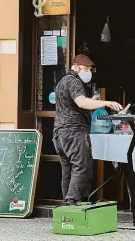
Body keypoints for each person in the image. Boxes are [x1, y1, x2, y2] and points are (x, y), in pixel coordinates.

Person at [53, 54, 123, 206]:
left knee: (68, 170)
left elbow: (74, 103)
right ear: (76, 66)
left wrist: (92, 101)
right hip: (74, 132)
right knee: (82, 167)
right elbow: (81, 103)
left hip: (60, 133)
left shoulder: (62, 82)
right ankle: (71, 202)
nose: (88, 72)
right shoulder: (74, 82)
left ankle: (67, 205)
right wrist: (107, 103)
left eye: (90, 69)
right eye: (86, 68)